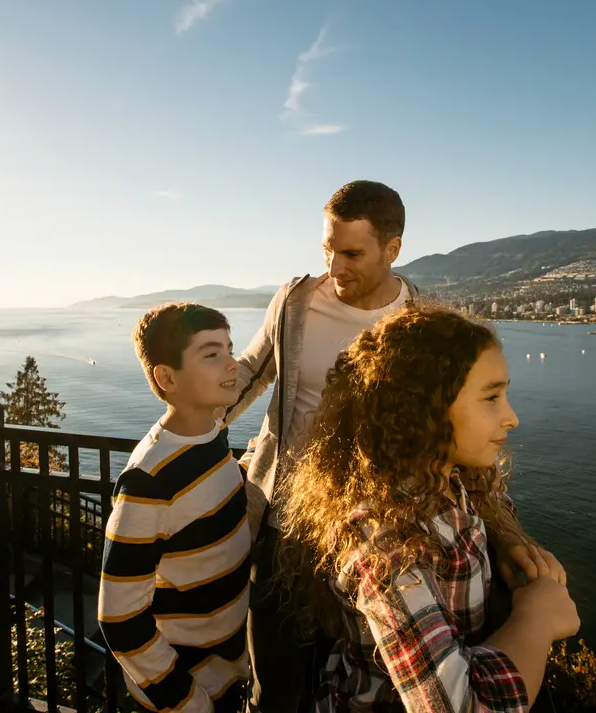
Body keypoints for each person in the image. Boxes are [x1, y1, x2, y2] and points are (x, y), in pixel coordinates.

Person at [224, 181, 564, 712]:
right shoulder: (295, 301)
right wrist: (186, 426)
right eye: (328, 250)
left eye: (352, 253)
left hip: (377, 511)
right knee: (277, 674)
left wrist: (506, 532)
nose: (335, 267)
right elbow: (249, 372)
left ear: (393, 248)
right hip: (288, 517)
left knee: (360, 658)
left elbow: (453, 447)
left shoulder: (422, 324)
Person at [278, 303, 579, 712]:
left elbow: (493, 503)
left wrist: (507, 539)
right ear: (423, 409)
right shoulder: (385, 544)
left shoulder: (450, 478)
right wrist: (536, 618)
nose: (512, 418)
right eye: (491, 397)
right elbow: (462, 705)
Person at [99, 303, 253, 713]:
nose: (232, 364)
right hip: (185, 695)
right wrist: (186, 701)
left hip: (229, 676)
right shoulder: (148, 483)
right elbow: (119, 618)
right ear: (167, 378)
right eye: (211, 354)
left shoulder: (214, 435)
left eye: (229, 349)